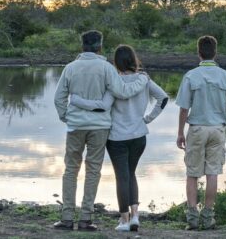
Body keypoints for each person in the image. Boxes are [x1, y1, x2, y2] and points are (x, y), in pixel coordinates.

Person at [53, 30, 148, 231]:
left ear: (82, 46)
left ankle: (67, 218)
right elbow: (122, 92)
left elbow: (59, 98)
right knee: (93, 170)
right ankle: (85, 219)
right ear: (100, 47)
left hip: (75, 126)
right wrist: (142, 80)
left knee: (71, 169)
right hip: (100, 127)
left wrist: (66, 117)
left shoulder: (70, 68)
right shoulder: (106, 68)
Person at [69, 44, 168, 232]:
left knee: (121, 177)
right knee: (131, 174)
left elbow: (102, 106)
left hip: (117, 137)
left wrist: (77, 101)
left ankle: (124, 220)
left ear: (116, 62)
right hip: (139, 135)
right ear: (133, 60)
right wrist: (147, 119)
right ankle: (135, 216)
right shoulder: (143, 79)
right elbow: (163, 98)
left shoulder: (113, 81)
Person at [175, 35, 226, 230]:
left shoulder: (191, 75)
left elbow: (183, 109)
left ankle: (192, 219)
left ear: (198, 53)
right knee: (212, 173)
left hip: (197, 129)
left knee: (192, 174)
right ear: (215, 53)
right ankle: (208, 218)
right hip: (217, 130)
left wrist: (180, 132)